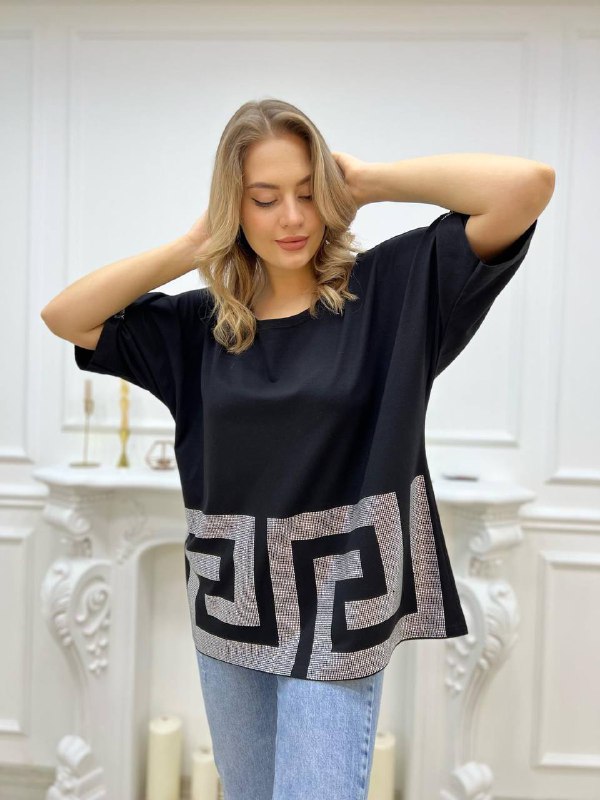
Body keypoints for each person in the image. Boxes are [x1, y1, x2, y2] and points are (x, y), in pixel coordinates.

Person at [40, 98, 554, 800]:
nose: (292, 217)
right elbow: (66, 315)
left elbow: (527, 186)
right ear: (235, 207)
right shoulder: (199, 329)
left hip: (342, 607)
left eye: (308, 194)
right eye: (264, 198)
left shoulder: (392, 292)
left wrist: (368, 181)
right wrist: (194, 245)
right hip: (231, 606)